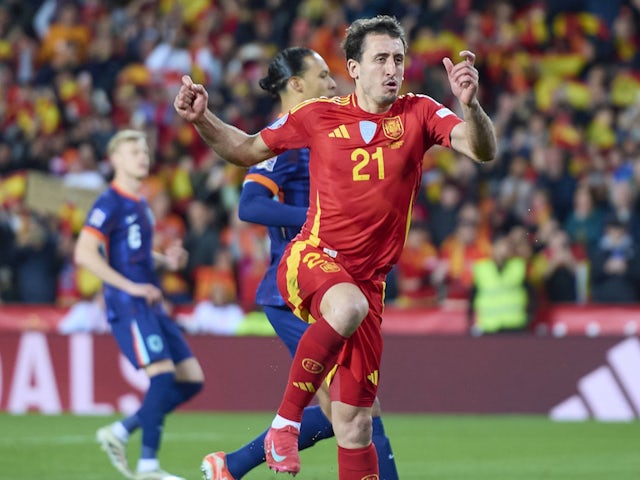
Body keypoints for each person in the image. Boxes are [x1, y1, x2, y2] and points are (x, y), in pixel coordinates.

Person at [174, 15, 496, 479]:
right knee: (345, 308)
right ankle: (283, 425)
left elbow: (481, 149)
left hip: (370, 286)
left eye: (399, 60)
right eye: (380, 59)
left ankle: (255, 452)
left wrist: (471, 106)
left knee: (355, 423)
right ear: (354, 67)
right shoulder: (318, 116)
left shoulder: (420, 112)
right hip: (312, 258)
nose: (392, 69)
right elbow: (245, 149)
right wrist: (202, 118)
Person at [199, 47, 398, 480]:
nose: (333, 83)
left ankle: (231, 466)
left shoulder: (326, 131)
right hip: (293, 289)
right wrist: (315, 218)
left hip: (334, 284)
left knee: (350, 408)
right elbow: (251, 204)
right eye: (323, 76)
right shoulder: (284, 138)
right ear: (297, 85)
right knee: (355, 408)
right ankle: (236, 462)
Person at [74, 129, 204, 480]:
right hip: (129, 304)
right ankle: (148, 466)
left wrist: (167, 262)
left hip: (150, 302)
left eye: (145, 150)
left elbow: (138, 254)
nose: (142, 156)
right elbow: (84, 253)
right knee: (162, 377)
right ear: (115, 159)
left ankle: (121, 431)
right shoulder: (109, 202)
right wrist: (129, 285)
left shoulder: (140, 203)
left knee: (191, 380)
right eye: (133, 150)